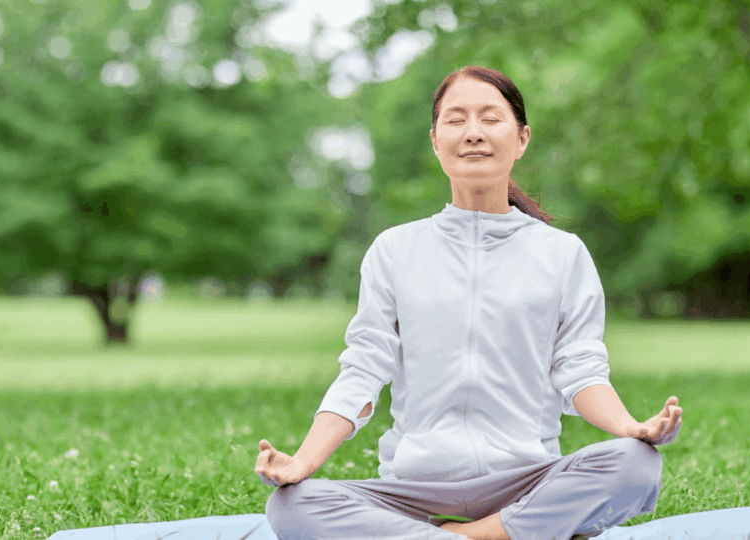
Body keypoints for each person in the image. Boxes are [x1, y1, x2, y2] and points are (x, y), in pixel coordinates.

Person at [254, 65, 683, 540]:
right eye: (456, 120)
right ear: (436, 141)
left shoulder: (562, 254)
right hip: (414, 490)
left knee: (636, 464)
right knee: (292, 505)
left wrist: (631, 428)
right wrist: (302, 462)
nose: (473, 133)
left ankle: (464, 537)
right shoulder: (395, 250)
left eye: (490, 118)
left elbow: (580, 370)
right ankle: (509, 536)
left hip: (524, 482)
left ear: (521, 139)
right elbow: (363, 370)